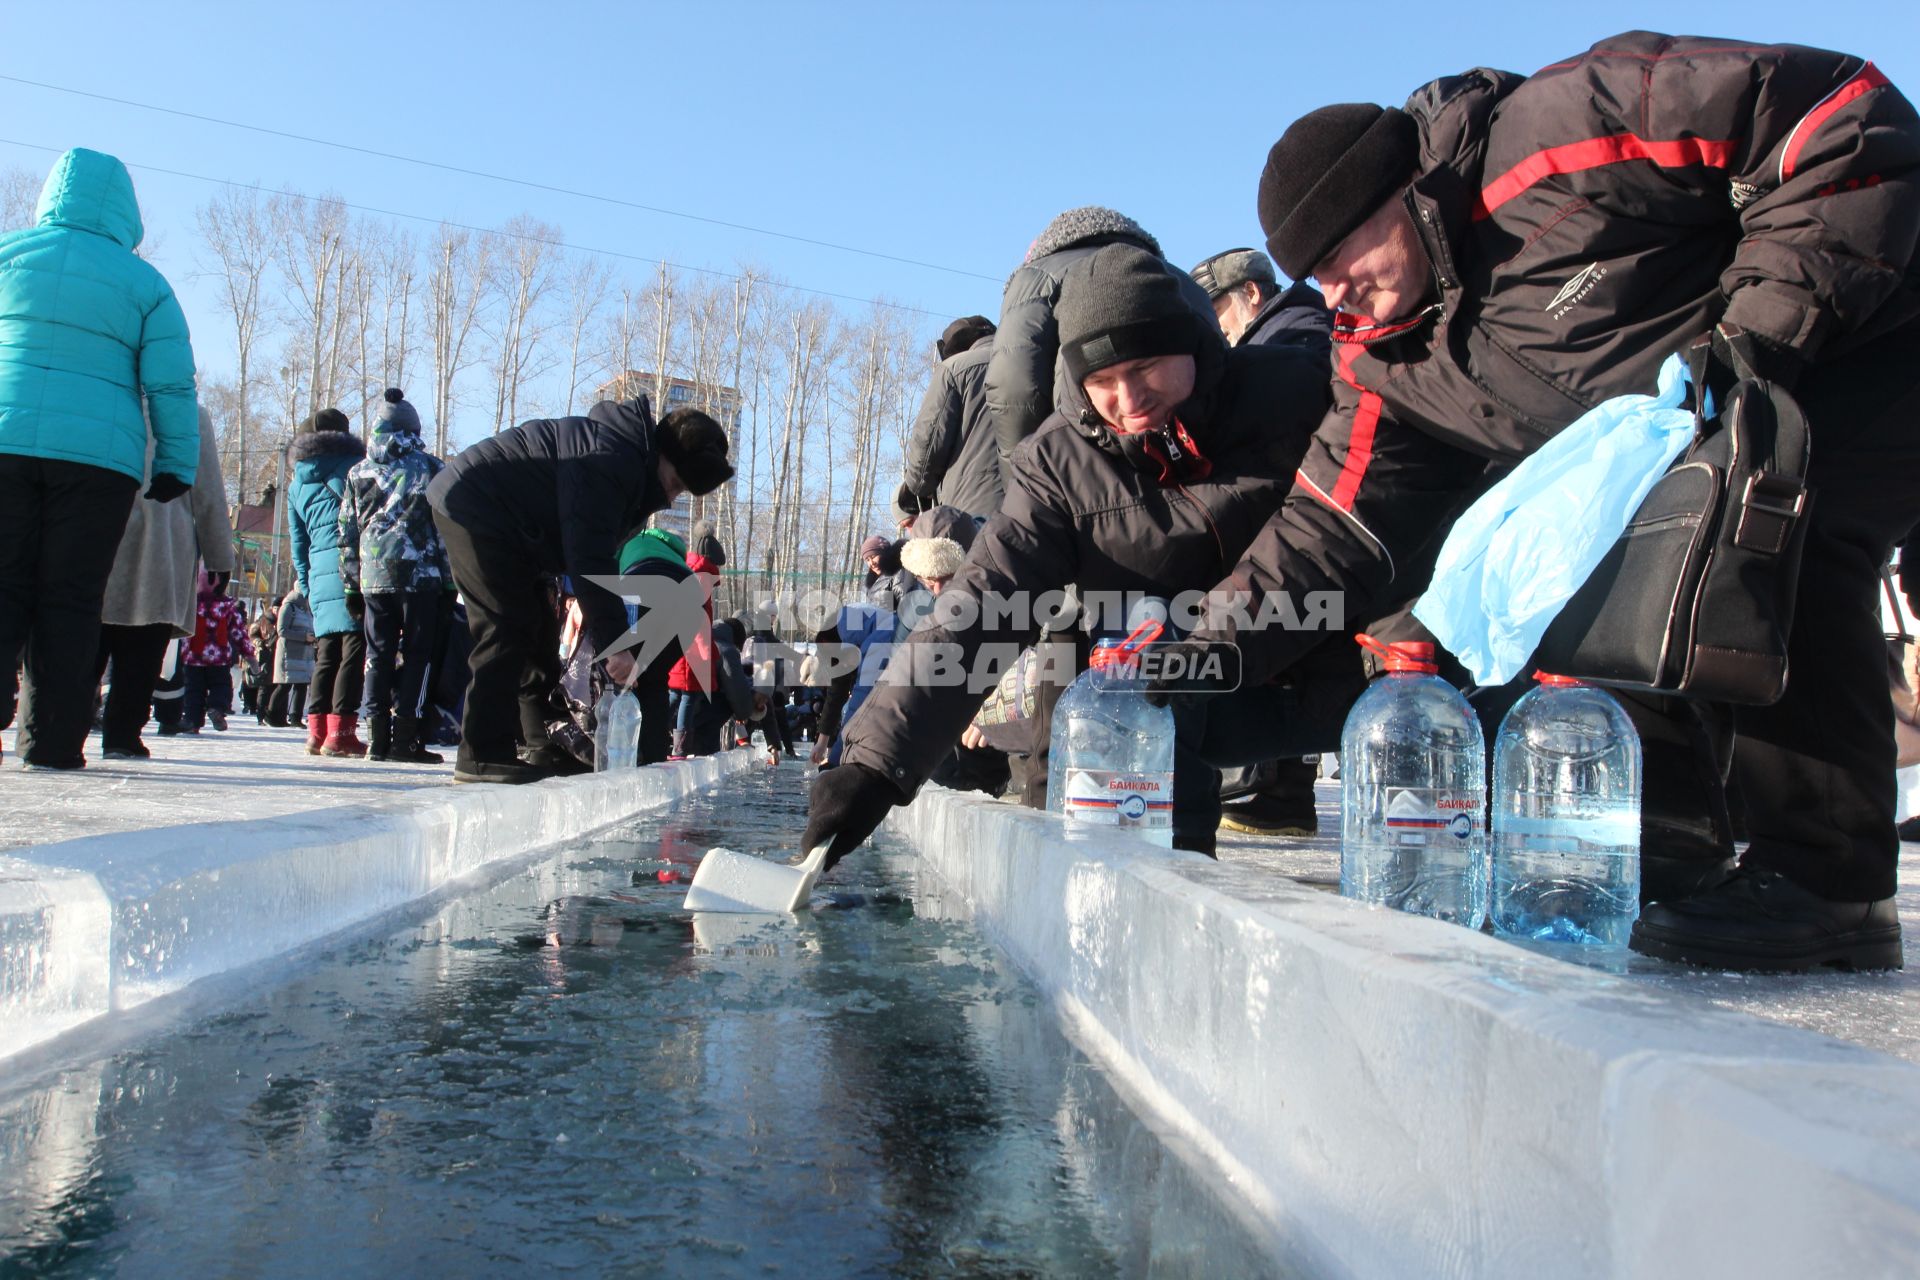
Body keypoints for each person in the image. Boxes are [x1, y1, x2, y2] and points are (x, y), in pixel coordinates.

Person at [1177, 32, 1920, 971]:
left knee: (1780, 532)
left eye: (1341, 253)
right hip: (1671, 441)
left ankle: (1830, 882)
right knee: (1577, 562)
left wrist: (1755, 341)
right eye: (1313, 277)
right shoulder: (1384, 357)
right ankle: (1675, 838)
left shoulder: (1553, 135)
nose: (1336, 292)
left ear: (1399, 195)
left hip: (1865, 335)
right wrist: (1200, 657)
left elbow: (1837, 116)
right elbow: (1333, 518)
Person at [802, 244, 1330, 862]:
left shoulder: (1296, 392)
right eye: (1102, 382)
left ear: (1192, 342)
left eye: (1148, 365)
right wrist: (871, 769)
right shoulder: (1059, 463)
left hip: (1330, 664)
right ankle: (1168, 871)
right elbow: (982, 604)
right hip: (1195, 691)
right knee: (1133, 666)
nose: (1129, 400)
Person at [0, 148, 200, 770]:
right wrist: (175, 465)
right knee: (70, 597)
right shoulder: (144, 283)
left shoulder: (9, 255)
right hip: (97, 464)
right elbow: (172, 385)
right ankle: (53, 743)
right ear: (126, 210)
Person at [428, 399, 733, 784]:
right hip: (476, 503)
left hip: (516, 528)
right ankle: (480, 753)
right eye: (675, 485)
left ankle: (538, 746)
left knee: (538, 630)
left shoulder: (626, 460)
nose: (671, 498)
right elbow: (589, 556)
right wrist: (616, 644)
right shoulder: (611, 458)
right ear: (664, 457)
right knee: (505, 625)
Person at [1189, 247, 1337, 838]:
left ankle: (1280, 792)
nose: (1218, 322)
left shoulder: (1290, 338)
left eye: (1220, 305)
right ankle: (1280, 795)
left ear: (1251, 294)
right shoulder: (1287, 333)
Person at [985, 206, 1220, 463]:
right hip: (1202, 458)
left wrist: (1026, 472)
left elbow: (1014, 388)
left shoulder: (1034, 278)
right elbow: (1218, 364)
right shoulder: (1179, 278)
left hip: (1082, 459)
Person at [94, 406, 234, 759]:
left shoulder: (102, 393)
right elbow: (208, 491)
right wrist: (219, 557)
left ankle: (58, 732)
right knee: (143, 647)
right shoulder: (188, 413)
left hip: (92, 535)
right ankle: (122, 736)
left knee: (83, 643)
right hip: (162, 547)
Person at [338, 388, 450, 764]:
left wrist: (351, 584)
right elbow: (444, 530)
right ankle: (407, 737)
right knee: (419, 654)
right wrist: (449, 580)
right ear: (413, 429)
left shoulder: (357, 472)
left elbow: (347, 533)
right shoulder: (431, 469)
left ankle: (375, 739)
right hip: (421, 576)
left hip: (373, 576)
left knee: (377, 654)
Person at [288, 407, 368, 757]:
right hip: (352, 568)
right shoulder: (355, 469)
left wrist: (307, 586)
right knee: (353, 651)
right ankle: (342, 733)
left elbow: (297, 543)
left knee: (326, 655)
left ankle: (316, 732)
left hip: (319, 579)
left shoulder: (296, 483)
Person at [894, 315, 1005, 523]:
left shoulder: (953, 369)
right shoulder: (1034, 360)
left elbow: (928, 444)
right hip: (1037, 507)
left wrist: (915, 489)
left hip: (974, 510)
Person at [1189, 247, 1333, 355]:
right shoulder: (1288, 327)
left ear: (1252, 292)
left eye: (1215, 312)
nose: (1214, 326)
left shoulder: (1294, 331)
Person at [181, 569, 254, 733]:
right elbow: (239, 633)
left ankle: (192, 721)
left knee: (193, 690)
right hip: (219, 658)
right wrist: (248, 654)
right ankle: (216, 708)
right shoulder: (227, 607)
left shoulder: (189, 604)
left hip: (193, 656)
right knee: (221, 686)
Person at [270, 588, 315, 728]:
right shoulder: (289, 606)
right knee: (284, 685)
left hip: (305, 654)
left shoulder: (307, 609)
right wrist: (303, 637)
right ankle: (270, 715)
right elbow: (282, 630)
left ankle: (296, 717)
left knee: (301, 685)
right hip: (289, 653)